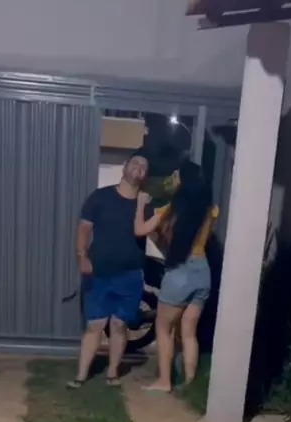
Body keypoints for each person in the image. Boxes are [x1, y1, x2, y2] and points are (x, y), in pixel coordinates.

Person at [67, 150, 151, 389]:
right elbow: (84, 228)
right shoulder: (100, 197)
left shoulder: (145, 205)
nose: (138, 168)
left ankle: (112, 373)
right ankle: (81, 375)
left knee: (119, 325)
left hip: (130, 274)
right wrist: (81, 256)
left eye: (143, 167)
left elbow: (155, 233)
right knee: (94, 325)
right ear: (124, 166)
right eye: (135, 163)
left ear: (145, 176)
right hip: (99, 272)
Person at [134, 159, 218, 392]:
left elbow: (140, 230)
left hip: (180, 271)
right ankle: (190, 382)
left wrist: (140, 205)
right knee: (189, 332)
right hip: (202, 271)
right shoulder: (211, 210)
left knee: (163, 329)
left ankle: (164, 381)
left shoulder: (170, 210)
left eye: (177, 176)